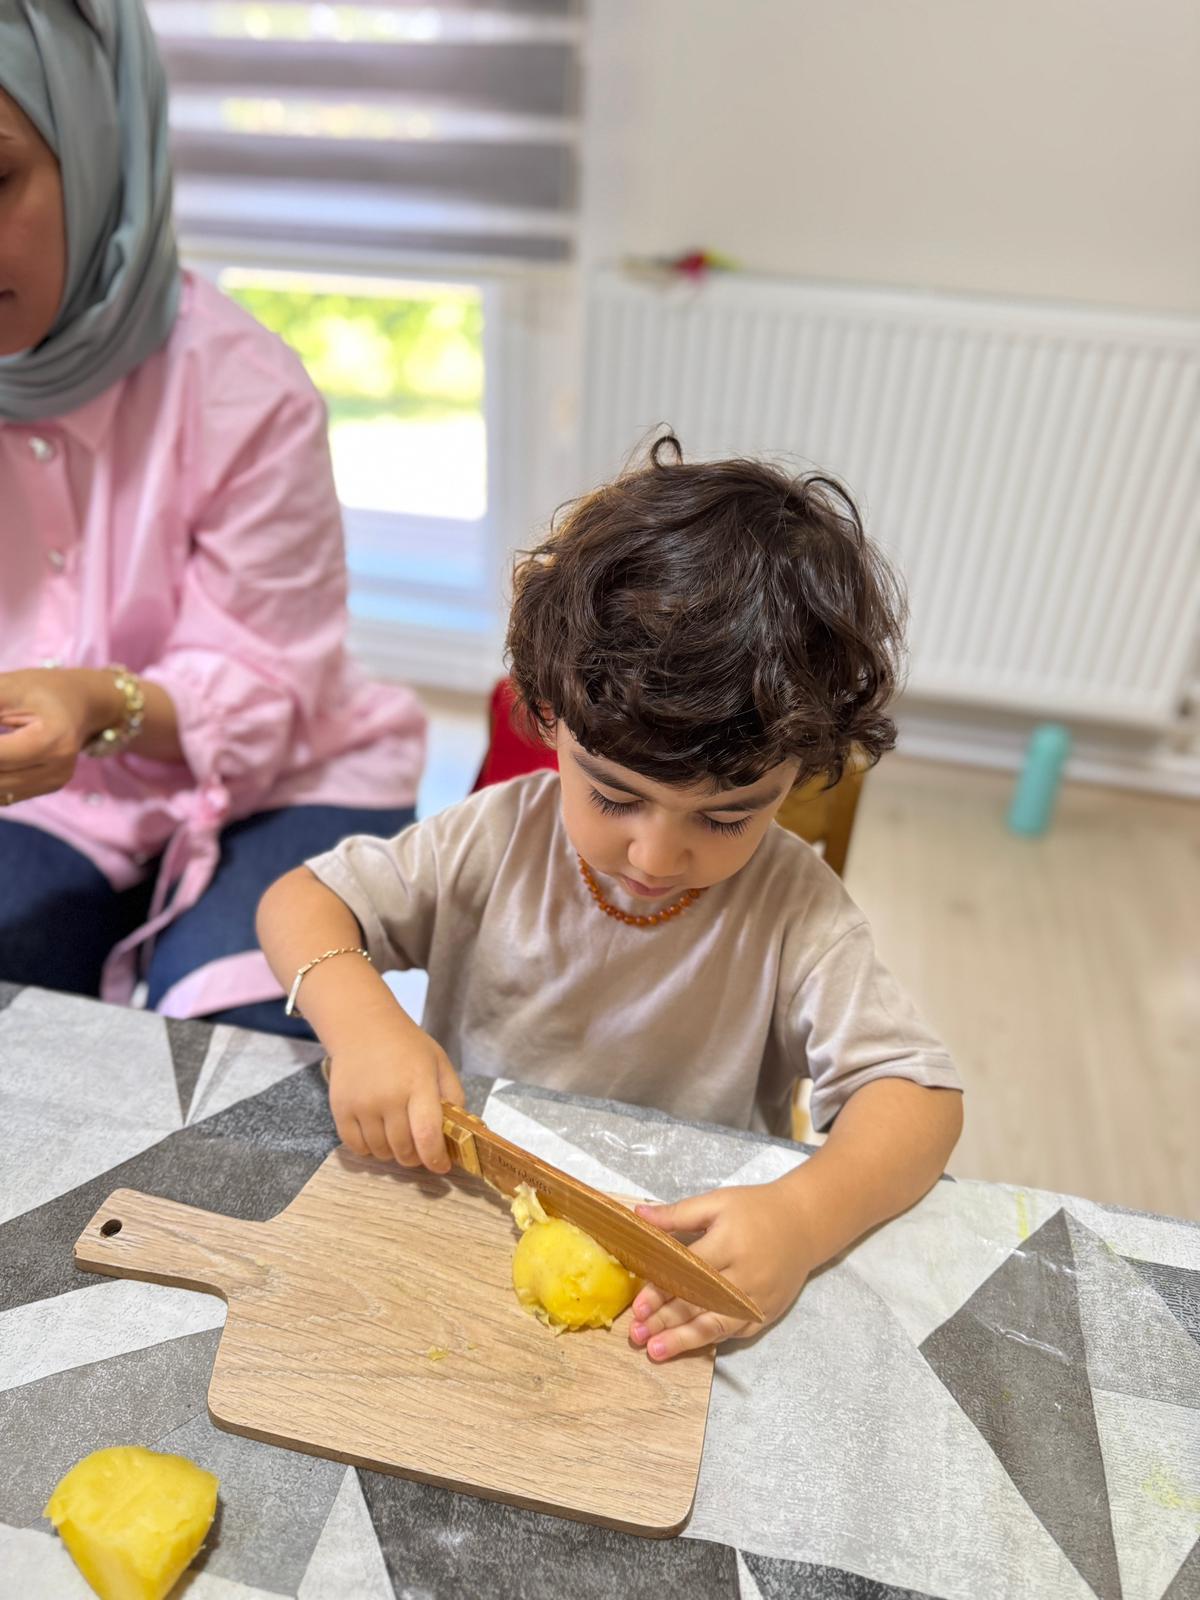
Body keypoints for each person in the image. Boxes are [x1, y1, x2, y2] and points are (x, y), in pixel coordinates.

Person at [257, 437, 964, 1359]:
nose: (656, 853)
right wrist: (363, 1025)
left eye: (726, 817)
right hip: (464, 1215)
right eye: (615, 795)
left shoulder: (793, 907)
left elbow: (920, 1100)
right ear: (550, 717)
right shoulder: (496, 835)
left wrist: (801, 1216)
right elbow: (299, 901)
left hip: (677, 1275)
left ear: (797, 775)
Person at [0, 0, 425, 1033]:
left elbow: (269, 685)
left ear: (102, 152)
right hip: (50, 792)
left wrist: (98, 698)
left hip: (287, 770)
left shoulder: (248, 390)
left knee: (249, 1058)